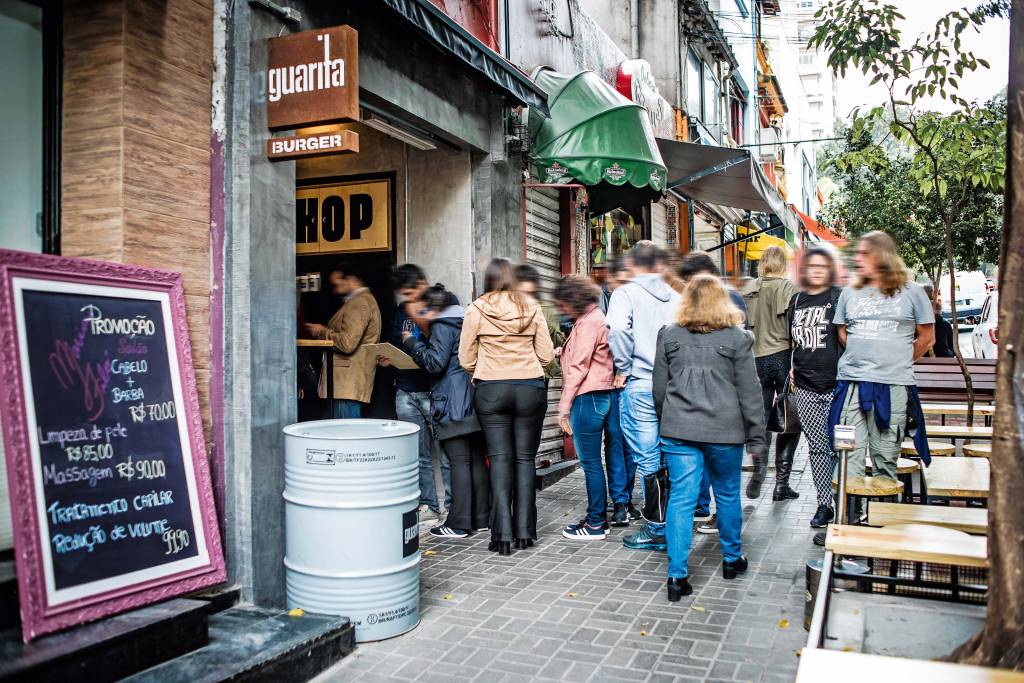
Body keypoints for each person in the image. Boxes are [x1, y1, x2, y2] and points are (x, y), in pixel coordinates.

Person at [654, 274, 763, 601]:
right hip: (725, 430)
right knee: (727, 494)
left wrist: (668, 418)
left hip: (679, 429)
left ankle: (677, 576)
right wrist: (756, 433)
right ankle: (732, 559)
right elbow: (750, 392)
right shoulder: (738, 339)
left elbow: (659, 389)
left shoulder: (668, 335)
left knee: (682, 498)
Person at [459, 258, 554, 555]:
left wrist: (486, 370)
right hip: (530, 388)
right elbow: (547, 355)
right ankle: (525, 532)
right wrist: (526, 367)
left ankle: (501, 535)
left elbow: (465, 358)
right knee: (525, 459)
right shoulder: (530, 306)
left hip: (491, 388)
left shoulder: (476, 309)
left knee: (499, 460)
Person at [829, 231, 935, 488]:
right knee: (846, 456)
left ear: (882, 256)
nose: (858, 258)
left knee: (885, 458)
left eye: (864, 253)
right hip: (852, 382)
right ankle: (848, 521)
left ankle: (878, 522)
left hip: (892, 384)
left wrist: (895, 359)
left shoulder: (912, 292)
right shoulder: (849, 292)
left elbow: (927, 338)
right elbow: (842, 332)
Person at [606, 241, 681, 551]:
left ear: (634, 263)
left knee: (648, 458)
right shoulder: (677, 295)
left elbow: (618, 331)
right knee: (670, 452)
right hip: (672, 385)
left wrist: (622, 367)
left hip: (639, 384)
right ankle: (673, 521)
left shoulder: (626, 293)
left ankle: (657, 528)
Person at [403, 284, 489, 538]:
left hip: (452, 401)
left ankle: (459, 523)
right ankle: (482, 517)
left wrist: (412, 344)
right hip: (473, 398)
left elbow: (435, 364)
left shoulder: (443, 325)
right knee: (474, 460)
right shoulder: (467, 322)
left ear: (433, 308)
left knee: (459, 461)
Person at [674, 251, 749, 536]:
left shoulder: (727, 299)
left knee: (722, 477)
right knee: (712, 467)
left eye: (689, 281)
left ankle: (717, 518)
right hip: (715, 402)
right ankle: (707, 512)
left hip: (717, 400)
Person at [553, 276, 618, 539]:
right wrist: (564, 352)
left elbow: (579, 367)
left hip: (588, 397)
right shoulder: (595, 318)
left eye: (563, 303)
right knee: (595, 462)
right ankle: (598, 517)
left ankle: (595, 523)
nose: (562, 309)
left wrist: (563, 407)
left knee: (590, 463)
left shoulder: (589, 322)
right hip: (603, 395)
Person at [385, 264, 450, 524]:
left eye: (412, 293)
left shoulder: (440, 307)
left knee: (447, 453)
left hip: (435, 390)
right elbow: (394, 341)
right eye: (405, 296)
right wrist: (389, 358)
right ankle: (429, 505)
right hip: (405, 389)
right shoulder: (401, 312)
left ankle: (454, 508)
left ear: (423, 283)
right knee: (418, 452)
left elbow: (443, 350)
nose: (409, 300)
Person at [789, 246, 844, 531]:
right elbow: (792, 341)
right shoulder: (796, 300)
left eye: (823, 266)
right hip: (806, 386)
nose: (818, 270)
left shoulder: (838, 297)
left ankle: (845, 498)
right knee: (818, 447)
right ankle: (825, 503)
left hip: (836, 385)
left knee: (842, 446)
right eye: (813, 265)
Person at [741, 245, 799, 501]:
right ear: (782, 264)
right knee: (790, 418)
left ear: (762, 263)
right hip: (783, 355)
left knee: (761, 417)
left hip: (756, 357)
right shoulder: (789, 289)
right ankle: (781, 484)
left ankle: (759, 470)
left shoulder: (749, 289)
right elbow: (797, 328)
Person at [304, 260, 381, 418]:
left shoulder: (359, 302)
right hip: (345, 385)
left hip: (346, 384)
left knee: (347, 437)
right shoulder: (362, 301)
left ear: (350, 279)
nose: (335, 290)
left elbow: (347, 344)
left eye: (338, 284)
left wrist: (322, 331)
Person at [601, 255, 639, 524]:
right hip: (613, 381)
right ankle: (620, 502)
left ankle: (624, 499)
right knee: (616, 440)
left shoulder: (632, 297)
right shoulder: (605, 299)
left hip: (630, 379)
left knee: (629, 443)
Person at [515, 264, 565, 378]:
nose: (526, 298)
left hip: (538, 374)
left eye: (529, 294)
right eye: (522, 293)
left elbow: (556, 342)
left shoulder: (545, 310)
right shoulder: (501, 310)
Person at [922, 283, 955, 357]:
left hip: (925, 357)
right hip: (944, 356)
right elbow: (952, 345)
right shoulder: (945, 324)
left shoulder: (921, 321)